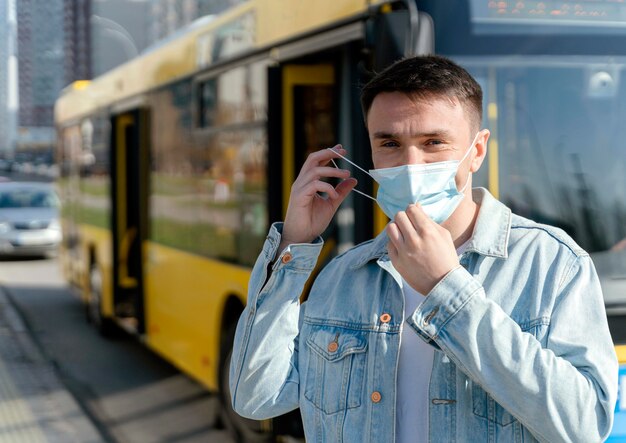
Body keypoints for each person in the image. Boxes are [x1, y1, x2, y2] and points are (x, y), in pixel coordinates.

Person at [229, 55, 617, 442]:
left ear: (477, 151)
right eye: (390, 143)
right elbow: (255, 397)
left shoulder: (552, 264)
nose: (411, 163)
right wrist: (294, 246)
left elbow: (585, 427)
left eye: (433, 142)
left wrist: (447, 288)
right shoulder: (342, 275)